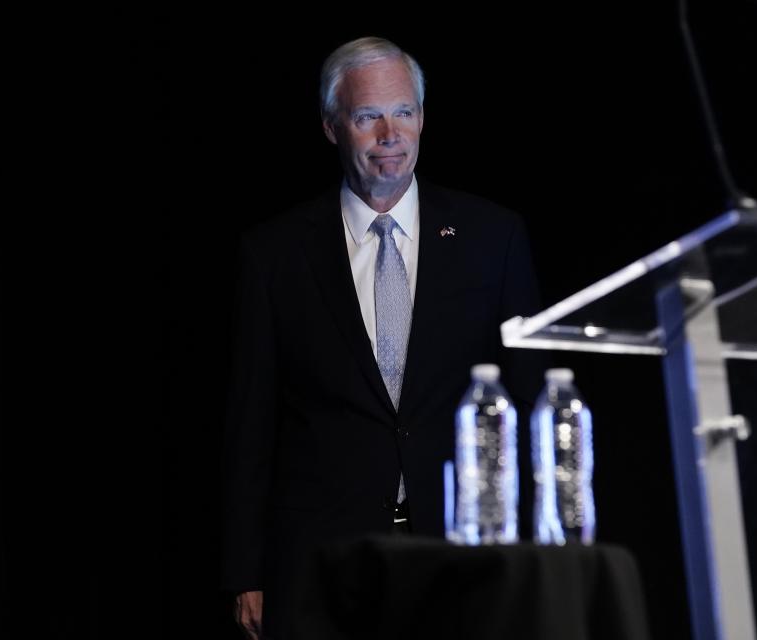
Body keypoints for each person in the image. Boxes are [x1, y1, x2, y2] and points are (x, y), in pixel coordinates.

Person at [221, 36, 543, 639]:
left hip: (463, 550)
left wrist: (532, 545)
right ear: (332, 127)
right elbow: (251, 420)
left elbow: (526, 400)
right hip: (320, 562)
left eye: (404, 113)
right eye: (368, 117)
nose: (390, 134)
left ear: (422, 119)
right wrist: (246, 569)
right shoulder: (274, 254)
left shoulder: (491, 238)